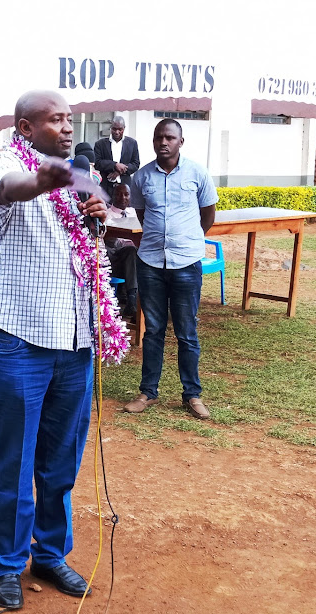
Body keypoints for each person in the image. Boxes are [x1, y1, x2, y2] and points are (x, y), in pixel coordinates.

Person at [0, 90, 107, 611]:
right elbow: (13, 188)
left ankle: (50, 554)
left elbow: (91, 247)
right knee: (14, 461)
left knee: (60, 462)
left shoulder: (74, 174)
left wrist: (97, 212)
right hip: (21, 340)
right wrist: (43, 181)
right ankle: (6, 564)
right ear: (26, 127)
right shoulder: (5, 162)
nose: (67, 127)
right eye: (55, 120)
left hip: (75, 340)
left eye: (70, 119)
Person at [124, 118, 217, 420]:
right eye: (158, 137)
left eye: (169, 138)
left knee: (187, 332)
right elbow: (140, 212)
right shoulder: (141, 177)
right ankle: (148, 392)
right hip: (150, 262)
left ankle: (192, 394)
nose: (163, 143)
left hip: (186, 263)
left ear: (180, 141)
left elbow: (208, 213)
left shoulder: (197, 173)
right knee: (153, 331)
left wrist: (189, 239)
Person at [104, 183, 138, 318]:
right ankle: (132, 300)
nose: (122, 197)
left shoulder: (134, 213)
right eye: (118, 194)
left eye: (126, 194)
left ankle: (134, 302)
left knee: (135, 253)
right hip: (113, 259)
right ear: (112, 196)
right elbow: (111, 241)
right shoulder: (106, 214)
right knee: (131, 251)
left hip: (132, 257)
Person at [94, 116, 140, 196]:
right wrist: (115, 165)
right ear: (111, 128)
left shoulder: (132, 143)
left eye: (120, 129)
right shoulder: (100, 144)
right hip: (105, 187)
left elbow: (136, 164)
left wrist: (119, 171)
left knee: (124, 209)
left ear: (124, 128)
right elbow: (97, 163)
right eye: (114, 129)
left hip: (125, 187)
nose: (117, 132)